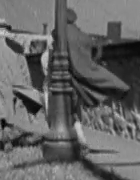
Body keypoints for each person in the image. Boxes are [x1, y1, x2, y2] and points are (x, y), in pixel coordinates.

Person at [44, 8, 130, 150]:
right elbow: (96, 47)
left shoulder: (61, 34)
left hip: (63, 82)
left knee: (61, 114)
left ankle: (74, 141)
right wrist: (92, 63)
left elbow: (52, 60)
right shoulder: (81, 35)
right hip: (76, 83)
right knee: (75, 113)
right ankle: (80, 140)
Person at [0, 18, 45, 150]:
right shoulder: (15, 46)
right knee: (7, 115)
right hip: (10, 88)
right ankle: (7, 140)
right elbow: (24, 70)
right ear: (6, 31)